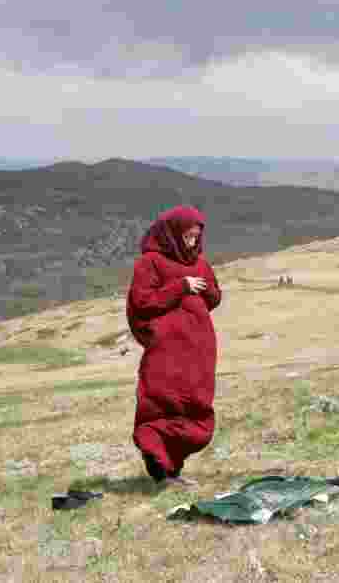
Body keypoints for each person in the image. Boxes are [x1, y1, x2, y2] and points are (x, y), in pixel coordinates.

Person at [126, 205, 222, 487]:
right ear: (172, 234)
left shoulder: (200, 262)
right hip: (167, 349)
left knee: (195, 404)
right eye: (188, 237)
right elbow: (142, 302)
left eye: (196, 237)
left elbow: (214, 299)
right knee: (163, 400)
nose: (193, 242)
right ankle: (158, 462)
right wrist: (181, 286)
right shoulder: (150, 263)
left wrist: (207, 289)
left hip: (199, 348)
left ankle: (172, 468)